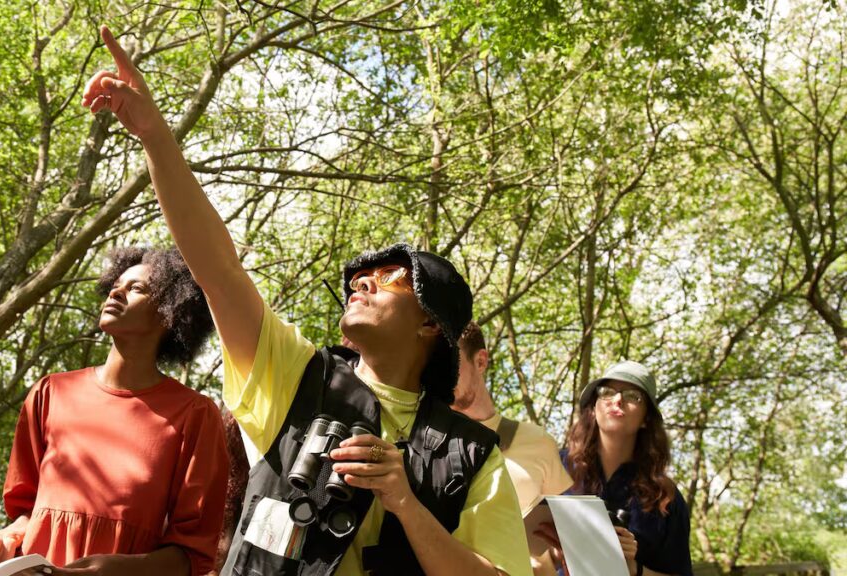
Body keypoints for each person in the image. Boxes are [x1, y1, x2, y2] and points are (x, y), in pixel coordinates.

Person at [81, 26, 532, 576]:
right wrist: (154, 134)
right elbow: (217, 270)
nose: (362, 284)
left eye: (391, 278)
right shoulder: (298, 378)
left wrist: (406, 504)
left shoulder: (472, 453)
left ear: (430, 325)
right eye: (358, 279)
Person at [0, 247, 230, 576]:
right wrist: (6, 537)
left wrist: (123, 570)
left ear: (170, 312)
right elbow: (27, 511)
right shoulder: (50, 392)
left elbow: (192, 555)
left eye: (136, 288)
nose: (116, 292)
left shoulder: (195, 415)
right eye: (116, 284)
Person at [546, 361, 692, 576]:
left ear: (646, 419)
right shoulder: (554, 468)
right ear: (593, 409)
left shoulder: (665, 496)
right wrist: (556, 553)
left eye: (633, 396)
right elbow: (522, 548)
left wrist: (634, 569)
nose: (617, 400)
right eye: (607, 392)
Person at [452, 322, 572, 576]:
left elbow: (565, 537)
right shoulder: (422, 443)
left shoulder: (537, 441)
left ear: (480, 361)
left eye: (451, 360)